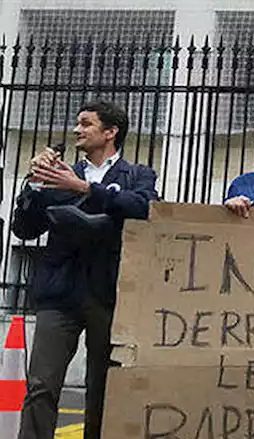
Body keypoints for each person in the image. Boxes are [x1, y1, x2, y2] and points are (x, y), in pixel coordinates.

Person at [12, 100, 156, 439]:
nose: (77, 130)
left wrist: (87, 190)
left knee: (102, 388)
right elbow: (24, 229)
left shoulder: (137, 175)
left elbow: (144, 208)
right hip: (59, 293)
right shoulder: (61, 173)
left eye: (86, 124)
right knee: (41, 385)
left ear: (110, 132)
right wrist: (34, 184)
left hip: (109, 294)